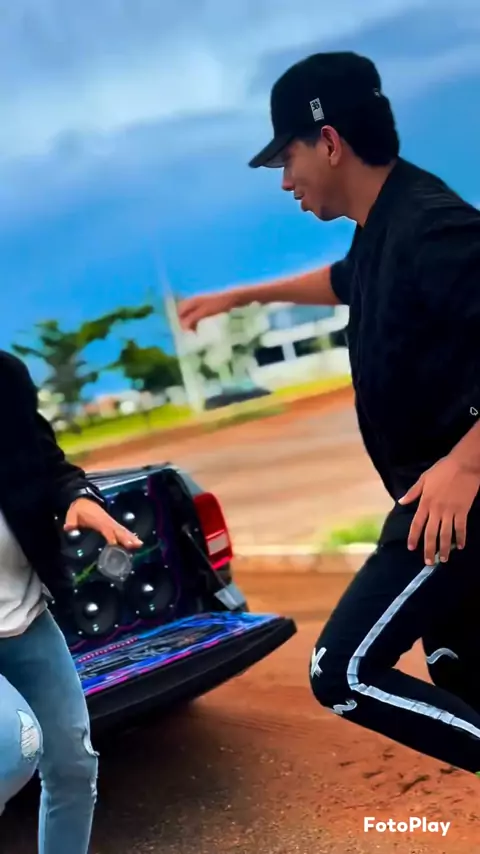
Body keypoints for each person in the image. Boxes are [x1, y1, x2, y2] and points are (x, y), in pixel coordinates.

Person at [177, 51, 480, 776]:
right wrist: (243, 296)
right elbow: (344, 281)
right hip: (434, 505)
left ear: (331, 142)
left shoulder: (433, 227)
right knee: (462, 675)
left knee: (343, 670)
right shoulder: (383, 225)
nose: (286, 181)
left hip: (454, 507)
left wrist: (468, 464)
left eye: (288, 159)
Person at [0, 349, 143, 852]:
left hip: (24, 615)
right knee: (11, 749)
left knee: (73, 766)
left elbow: (48, 465)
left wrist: (77, 496)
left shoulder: (4, 376)